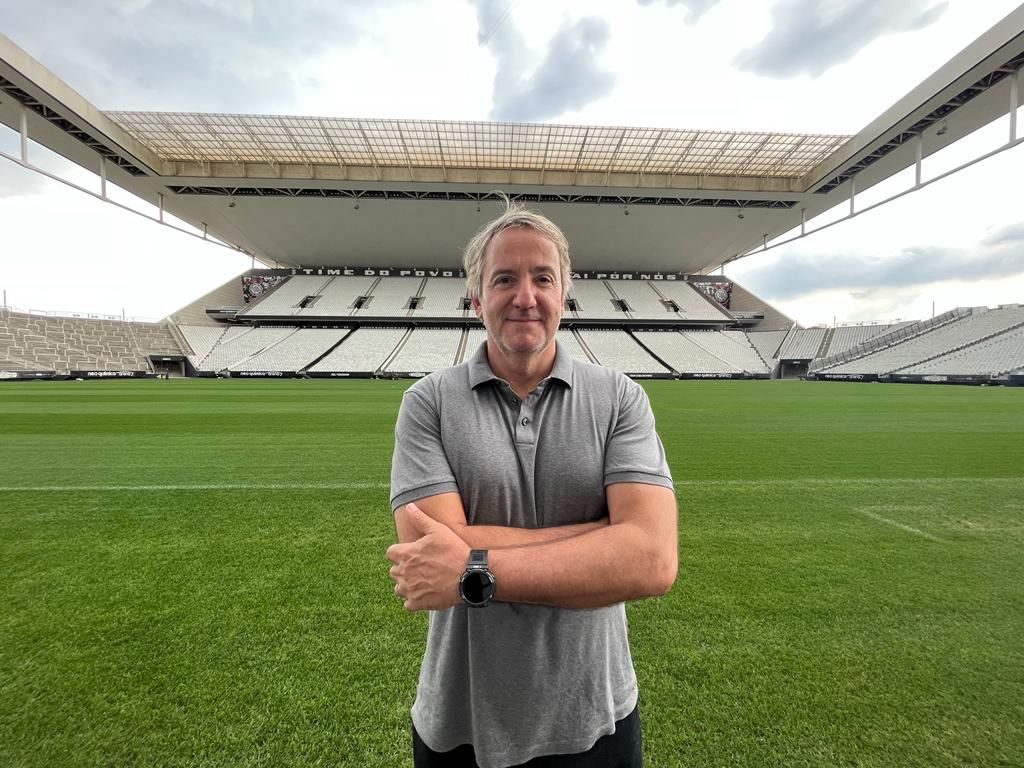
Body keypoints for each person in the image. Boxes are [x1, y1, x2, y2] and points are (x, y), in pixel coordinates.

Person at [387, 200, 677, 768]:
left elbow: (651, 561)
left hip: (598, 717)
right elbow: (429, 552)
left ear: (563, 292)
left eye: (542, 277)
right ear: (477, 299)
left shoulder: (620, 397)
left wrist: (471, 568)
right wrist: (602, 537)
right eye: (504, 279)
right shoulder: (427, 403)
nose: (526, 296)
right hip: (460, 723)